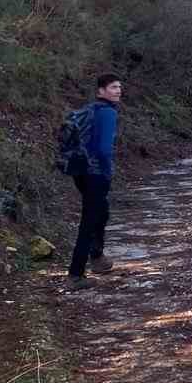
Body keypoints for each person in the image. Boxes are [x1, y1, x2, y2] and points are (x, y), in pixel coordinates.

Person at [68, 73, 122, 291]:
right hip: (96, 173)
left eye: (119, 87)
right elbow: (104, 149)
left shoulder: (90, 109)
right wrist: (107, 172)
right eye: (113, 87)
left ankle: (97, 257)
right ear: (101, 91)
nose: (118, 91)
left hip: (80, 171)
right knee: (89, 220)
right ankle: (75, 275)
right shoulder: (108, 113)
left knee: (102, 211)